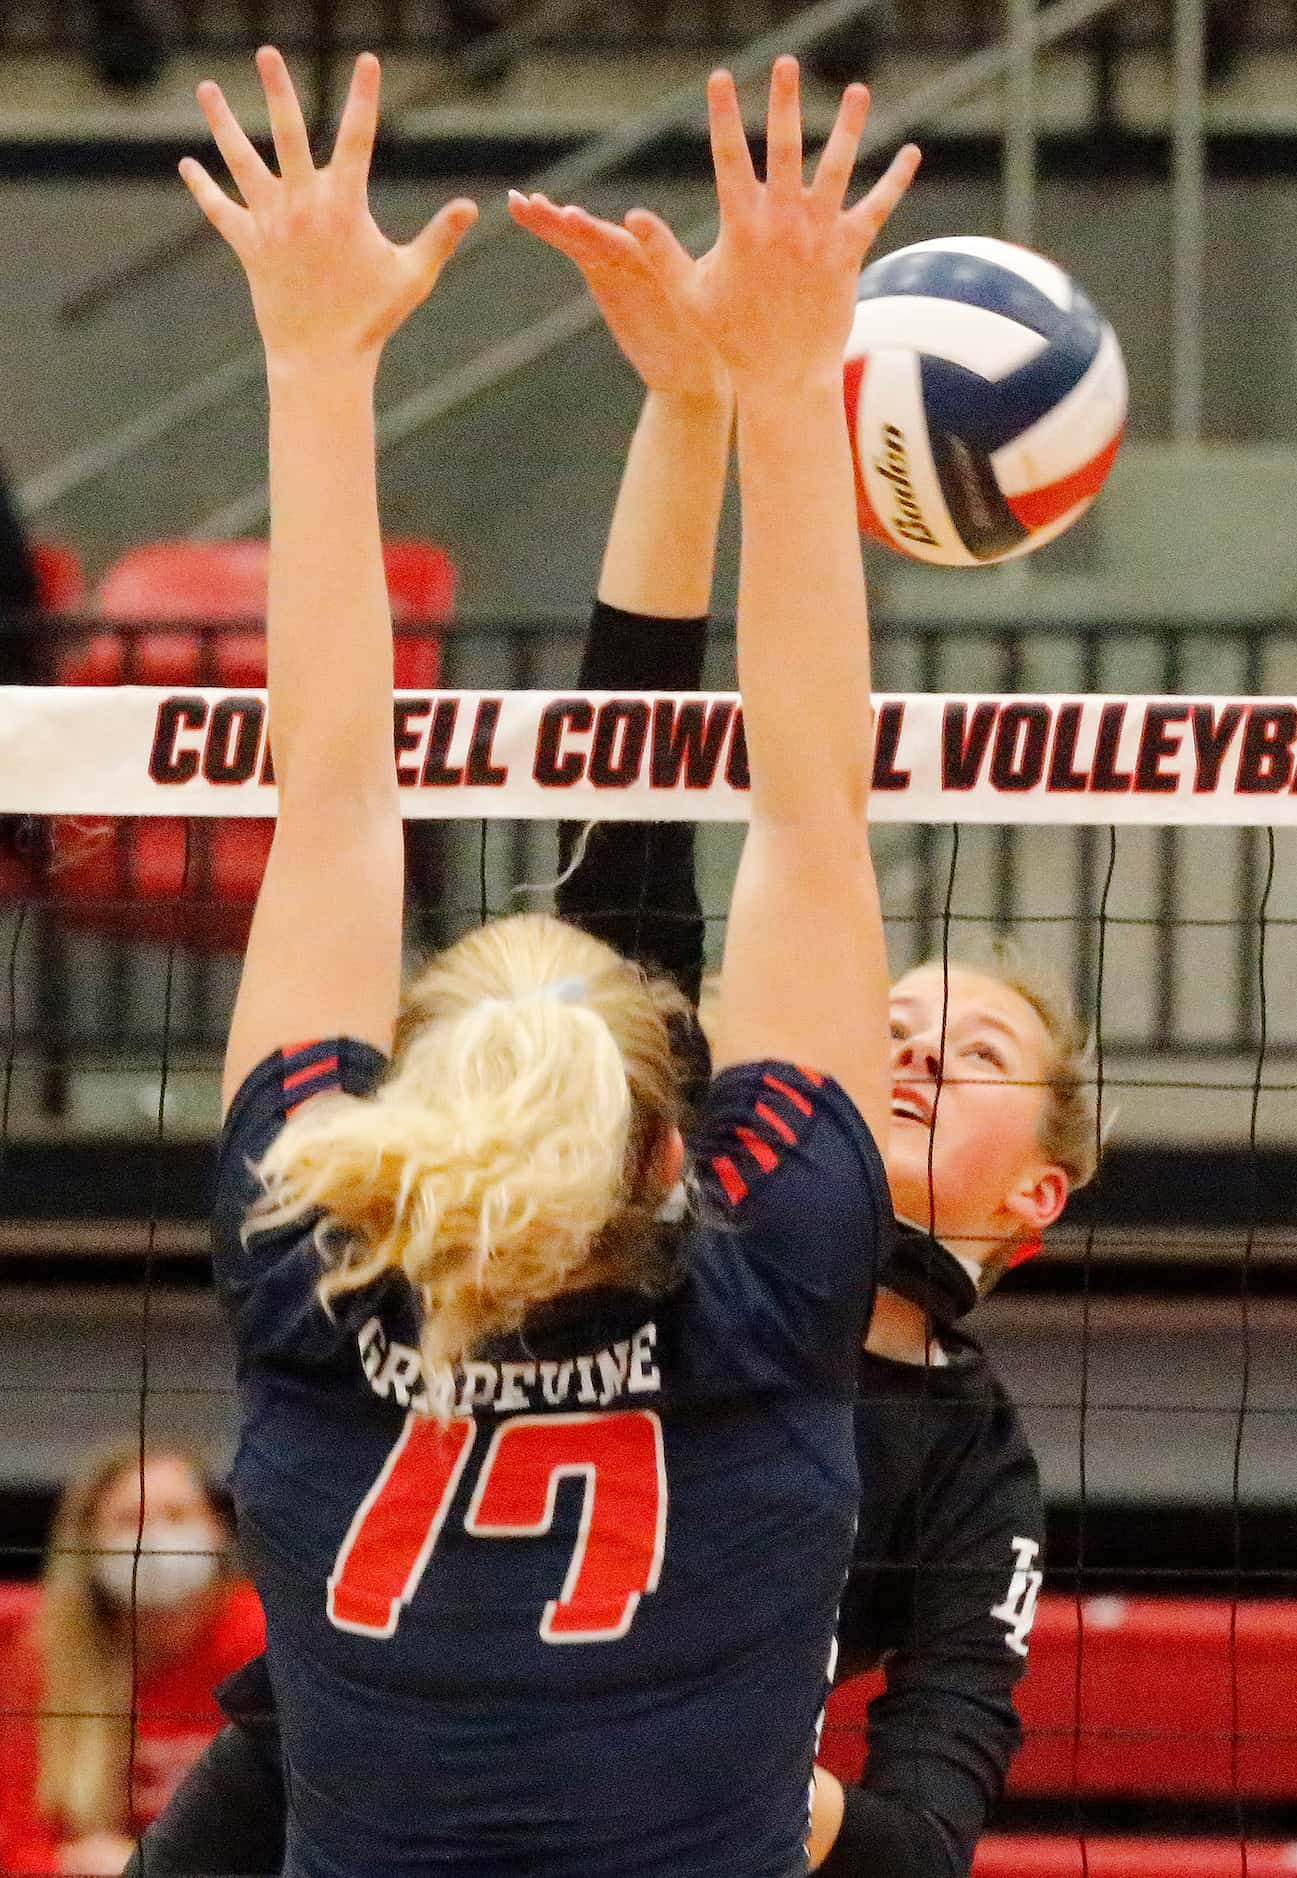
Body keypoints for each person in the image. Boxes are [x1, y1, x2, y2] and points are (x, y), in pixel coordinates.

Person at [124, 72, 1094, 1878]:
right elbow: (807, 816)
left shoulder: (325, 1261)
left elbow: (330, 801)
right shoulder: (765, 1286)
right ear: (676, 1150)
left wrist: (313, 363)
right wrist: (775, 393)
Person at [0, 1443, 263, 1877]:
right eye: (129, 1522)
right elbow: (17, 1845)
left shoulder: (268, 1640)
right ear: (87, 1546)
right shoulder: (42, 1655)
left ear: (218, 1530)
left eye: (177, 1516)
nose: (155, 1540)